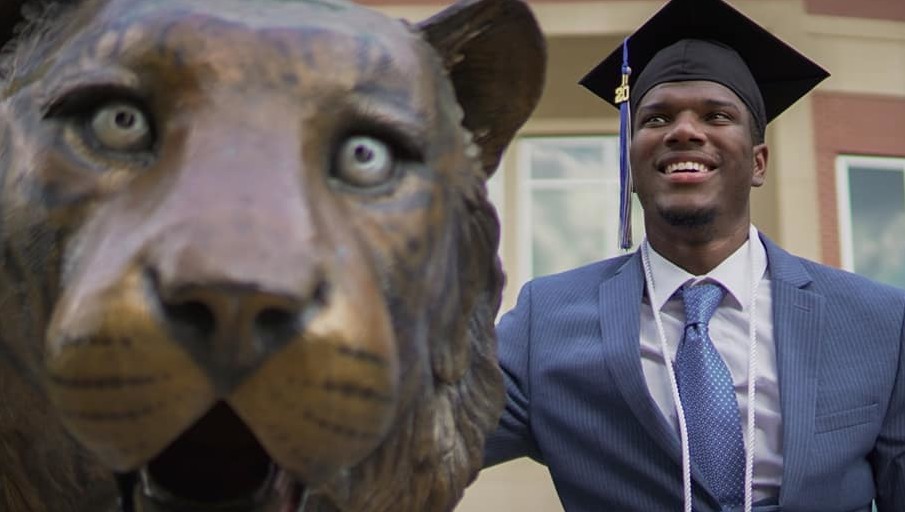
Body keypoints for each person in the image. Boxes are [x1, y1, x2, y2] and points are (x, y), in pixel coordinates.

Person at [483, 0, 905, 510]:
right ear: (630, 163)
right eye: (656, 117)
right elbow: (417, 438)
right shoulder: (545, 322)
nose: (683, 130)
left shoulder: (877, 321)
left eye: (716, 115)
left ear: (758, 162)